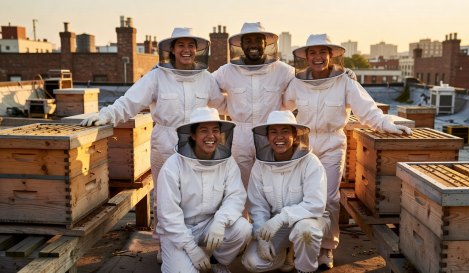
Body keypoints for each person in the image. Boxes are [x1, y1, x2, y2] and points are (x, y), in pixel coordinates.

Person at [79, 28, 227, 264]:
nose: (186, 50)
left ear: (198, 49)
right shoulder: (157, 76)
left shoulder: (206, 79)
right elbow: (130, 101)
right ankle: (163, 244)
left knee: (199, 194)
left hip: (199, 144)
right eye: (181, 45)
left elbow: (223, 106)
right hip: (166, 142)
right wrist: (107, 115)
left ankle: (195, 242)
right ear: (171, 49)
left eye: (191, 45)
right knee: (164, 197)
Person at [283, 34, 413, 268]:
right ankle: (299, 246)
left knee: (329, 199)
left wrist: (387, 125)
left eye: (322, 52)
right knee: (298, 197)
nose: (317, 57)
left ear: (331, 55)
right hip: (302, 146)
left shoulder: (345, 81)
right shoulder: (297, 82)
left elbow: (368, 111)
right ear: (306, 57)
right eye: (312, 53)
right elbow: (281, 107)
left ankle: (326, 249)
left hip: (332, 144)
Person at [212, 23, 356, 218]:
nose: (253, 44)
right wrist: (229, 108)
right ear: (241, 45)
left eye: (258, 40)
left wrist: (341, 73)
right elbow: (209, 89)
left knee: (276, 187)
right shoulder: (226, 71)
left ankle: (276, 232)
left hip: (273, 136)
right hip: (241, 136)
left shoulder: (283, 70)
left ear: (266, 44)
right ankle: (245, 234)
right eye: (248, 41)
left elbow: (309, 79)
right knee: (241, 190)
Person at [156, 107, 252, 273]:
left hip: (209, 224)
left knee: (243, 228)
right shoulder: (173, 166)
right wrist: (192, 250)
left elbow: (235, 197)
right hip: (178, 230)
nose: (211, 136)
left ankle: (218, 262)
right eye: (204, 130)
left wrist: (221, 221)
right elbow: (168, 215)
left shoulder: (227, 162)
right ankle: (176, 255)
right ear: (192, 135)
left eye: (215, 130)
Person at [241, 110, 330, 273]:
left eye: (285, 131)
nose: (279, 137)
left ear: (295, 135)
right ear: (267, 137)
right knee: (252, 263)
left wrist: (282, 218)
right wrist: (262, 237)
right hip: (276, 224)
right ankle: (285, 252)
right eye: (273, 132)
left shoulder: (311, 163)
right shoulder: (260, 165)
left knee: (305, 232)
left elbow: (315, 205)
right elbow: (257, 205)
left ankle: (305, 269)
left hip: (310, 220)